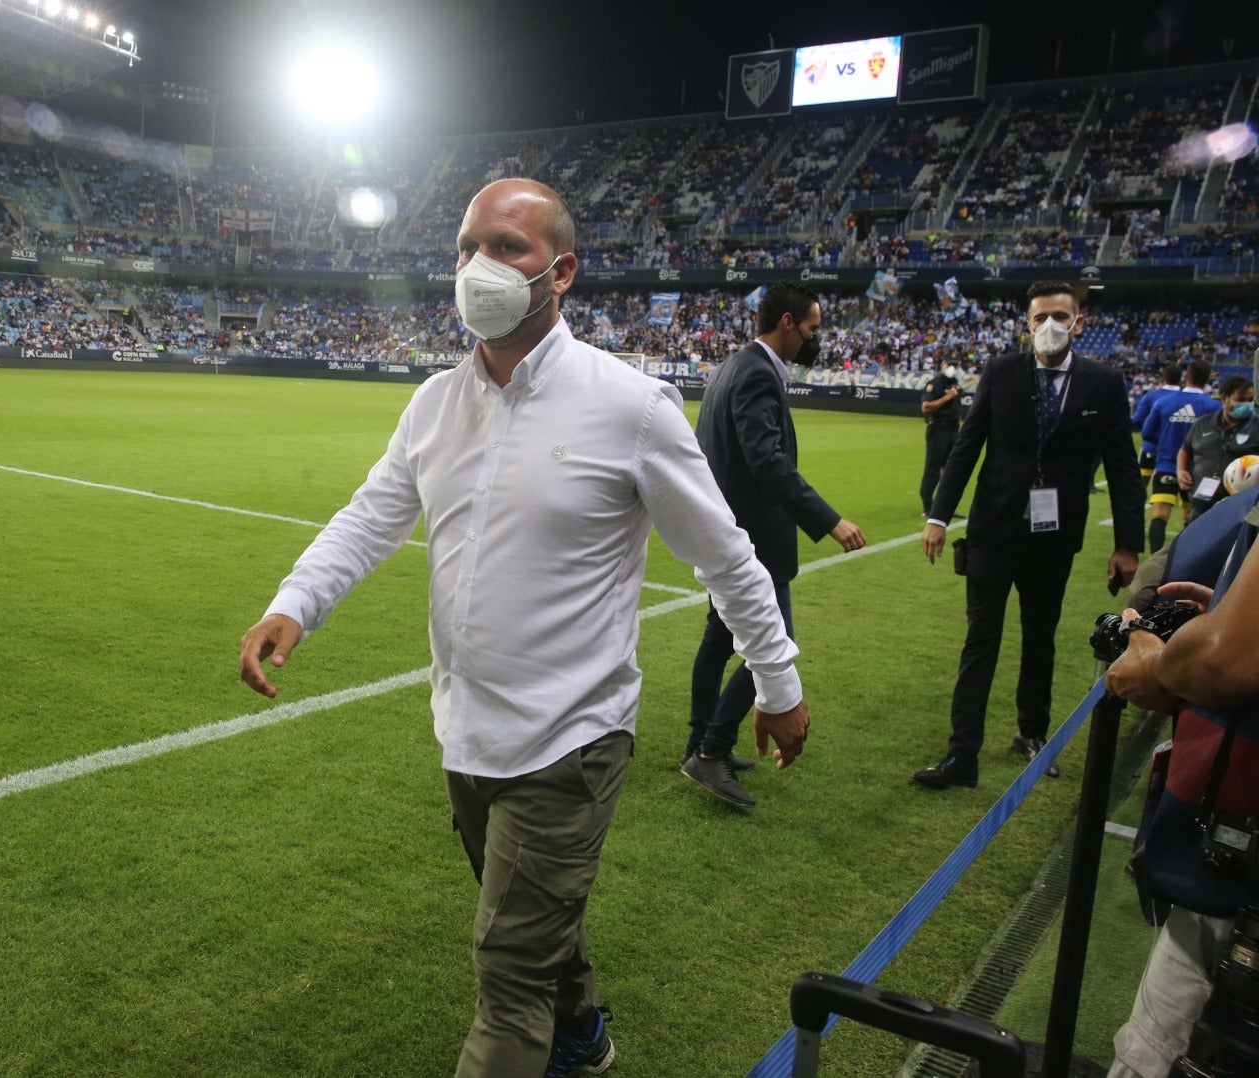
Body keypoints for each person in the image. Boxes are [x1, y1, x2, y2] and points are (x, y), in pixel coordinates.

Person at [237, 178, 809, 1078]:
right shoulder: (434, 404)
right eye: (467, 248)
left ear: (562, 271)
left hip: (571, 738)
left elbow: (727, 558)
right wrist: (293, 602)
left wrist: (778, 686)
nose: (479, 268)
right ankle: (580, 1028)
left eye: (506, 248)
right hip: (466, 726)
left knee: (506, 973)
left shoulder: (631, 407)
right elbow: (372, 516)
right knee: (533, 916)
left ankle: (555, 1041)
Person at [912, 281, 1143, 790]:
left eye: (1061, 316)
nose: (1050, 326)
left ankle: (1031, 733)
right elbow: (967, 447)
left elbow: (1123, 466)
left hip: (1054, 538)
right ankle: (961, 755)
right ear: (1028, 323)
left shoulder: (1103, 383)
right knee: (980, 641)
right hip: (994, 530)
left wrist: (1128, 543)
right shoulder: (1001, 372)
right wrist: (938, 516)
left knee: (1041, 637)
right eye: (1040, 318)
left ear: (1079, 322)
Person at [680, 280, 865, 809]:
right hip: (753, 540)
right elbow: (766, 461)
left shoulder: (731, 367)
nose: (816, 338)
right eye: (812, 328)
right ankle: (710, 753)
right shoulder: (758, 372)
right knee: (772, 641)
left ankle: (701, 738)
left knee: (719, 640)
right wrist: (829, 520)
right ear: (787, 323)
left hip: (726, 531)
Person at [1103, 494, 1259, 1078]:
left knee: (1155, 1054)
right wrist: (1227, 614)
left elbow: (1227, 660)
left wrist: (1158, 659)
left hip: (1237, 877)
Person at [1141, 360, 1219, 553]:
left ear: (1187, 377)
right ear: (1207, 380)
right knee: (1190, 517)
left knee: (1159, 515)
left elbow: (1147, 432)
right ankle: (1184, 561)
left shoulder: (1163, 402)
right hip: (1196, 470)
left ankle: (1154, 560)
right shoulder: (1213, 406)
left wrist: (1167, 442)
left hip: (1166, 466)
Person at [1176, 374, 1254, 522]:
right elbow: (1185, 449)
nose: (1247, 404)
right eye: (1241, 400)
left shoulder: (1256, 427)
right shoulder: (1202, 424)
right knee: (1192, 544)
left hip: (1240, 510)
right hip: (1200, 506)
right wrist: (1181, 471)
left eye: (1250, 400)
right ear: (1224, 398)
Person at [920, 355, 965, 517]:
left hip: (953, 431)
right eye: (950, 365)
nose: (953, 368)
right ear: (943, 365)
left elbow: (955, 409)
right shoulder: (935, 383)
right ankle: (927, 507)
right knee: (933, 470)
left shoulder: (955, 384)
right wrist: (947, 397)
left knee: (951, 471)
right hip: (938, 430)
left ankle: (946, 507)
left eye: (955, 365)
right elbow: (926, 407)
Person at [1132, 362, 1182, 483]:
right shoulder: (1188, 398)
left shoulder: (1151, 396)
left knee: (1141, 482)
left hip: (1152, 446)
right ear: (1180, 379)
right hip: (1179, 449)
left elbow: (1137, 420)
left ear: (1163, 378)